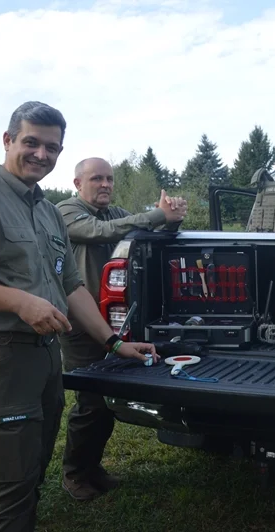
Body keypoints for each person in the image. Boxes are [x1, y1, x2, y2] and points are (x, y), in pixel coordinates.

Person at [0, 101, 159, 532]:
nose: (42, 154)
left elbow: (71, 287)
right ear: (8, 140)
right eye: (32, 142)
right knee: (10, 484)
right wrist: (18, 301)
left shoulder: (47, 210)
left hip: (44, 357)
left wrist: (114, 343)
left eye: (52, 147)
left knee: (33, 470)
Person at [56, 157, 187, 500]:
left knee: (108, 398)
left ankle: (92, 468)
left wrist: (171, 220)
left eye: (109, 179)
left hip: (117, 322)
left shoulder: (114, 213)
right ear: (77, 183)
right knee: (91, 402)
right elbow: (101, 232)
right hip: (81, 325)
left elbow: (146, 236)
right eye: (96, 178)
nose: (105, 185)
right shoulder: (67, 212)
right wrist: (156, 214)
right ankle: (75, 474)